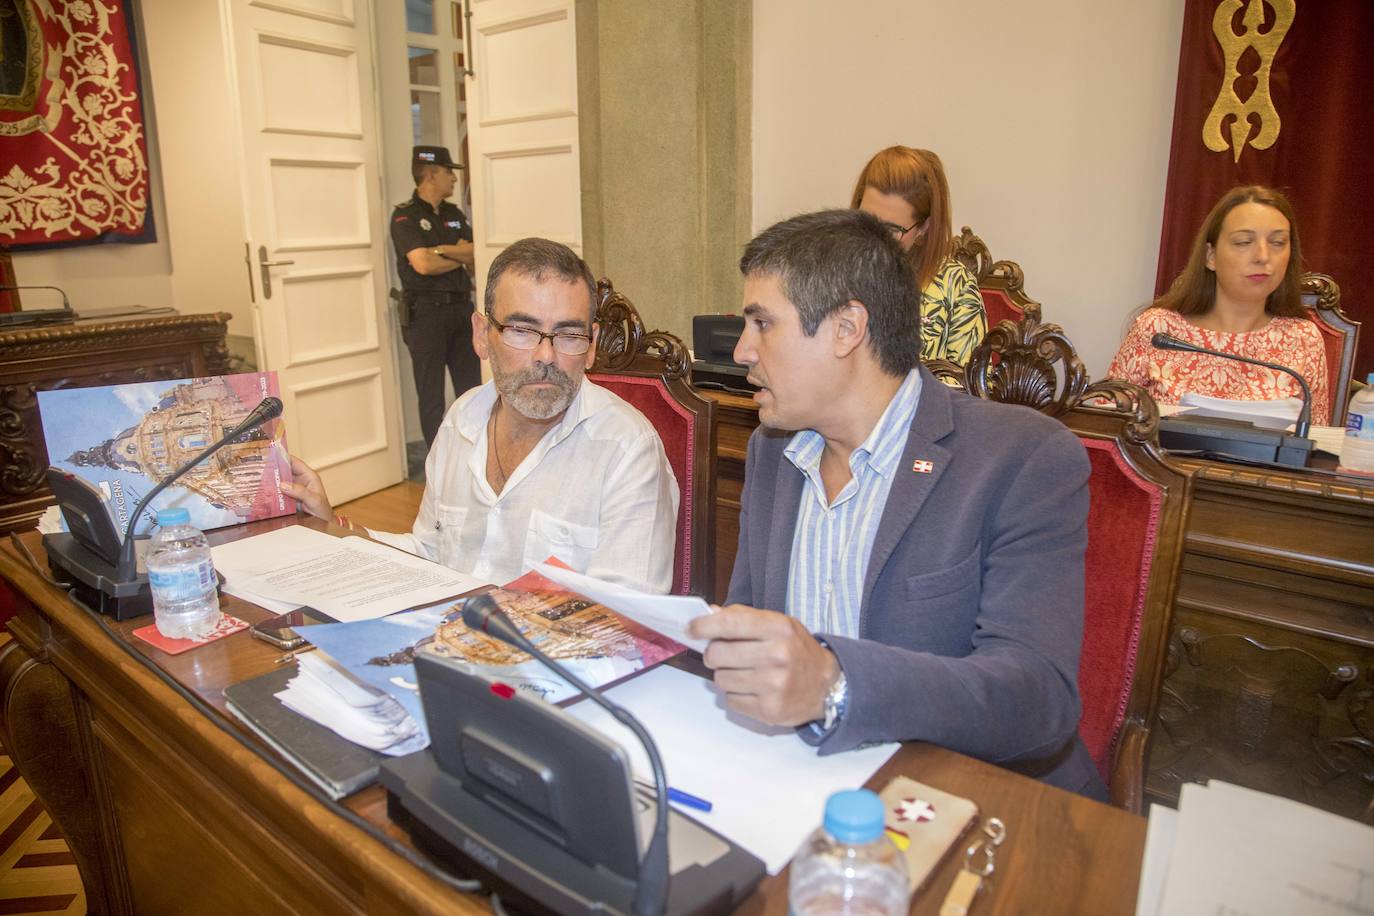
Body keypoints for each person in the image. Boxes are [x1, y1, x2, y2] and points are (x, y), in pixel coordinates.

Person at [687, 209, 1102, 797]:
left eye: (762, 324)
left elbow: (1035, 698)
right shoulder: (771, 452)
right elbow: (750, 626)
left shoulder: (1022, 458)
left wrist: (837, 683)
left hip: (970, 799)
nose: (742, 352)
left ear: (846, 328)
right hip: (799, 778)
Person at [286, 238, 680, 593]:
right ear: (481, 334)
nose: (545, 356)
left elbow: (626, 617)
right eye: (522, 330)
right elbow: (428, 550)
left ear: (591, 346)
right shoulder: (463, 418)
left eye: (568, 335)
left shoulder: (627, 450)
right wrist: (331, 525)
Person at [1108, 185, 1330, 424]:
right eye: (1244, 242)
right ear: (1210, 256)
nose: (1263, 256)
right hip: (1160, 461)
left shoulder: (1303, 338)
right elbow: (1105, 423)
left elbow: (1315, 440)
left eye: (1277, 242)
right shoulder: (1158, 329)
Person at [851, 146, 987, 365]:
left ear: (924, 227)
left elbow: (975, 385)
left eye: (892, 229)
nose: (874, 236)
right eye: (865, 219)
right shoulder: (832, 274)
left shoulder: (955, 284)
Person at [391, 145, 483, 448]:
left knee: (471, 390)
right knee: (430, 395)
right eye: (448, 172)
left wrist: (441, 250)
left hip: (460, 309)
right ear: (430, 174)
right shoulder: (405, 216)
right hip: (426, 315)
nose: (454, 180)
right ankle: (437, 462)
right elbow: (422, 264)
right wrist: (456, 253)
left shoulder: (454, 214)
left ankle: (474, 453)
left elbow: (476, 252)